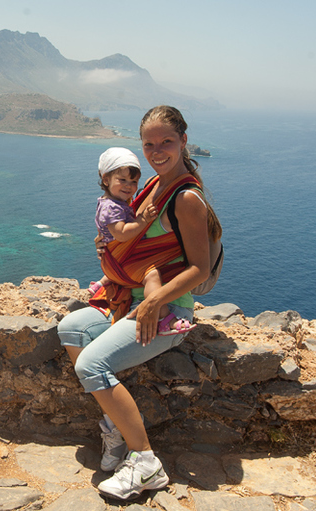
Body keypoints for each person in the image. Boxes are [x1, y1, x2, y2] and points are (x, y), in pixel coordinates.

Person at [58, 105, 222, 500]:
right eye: (149, 144)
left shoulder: (185, 198)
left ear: (183, 141)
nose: (157, 151)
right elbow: (129, 235)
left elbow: (199, 268)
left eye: (167, 141)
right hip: (130, 300)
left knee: (91, 365)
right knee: (71, 328)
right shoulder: (152, 186)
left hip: (165, 311)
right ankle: (117, 429)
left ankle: (145, 461)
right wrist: (110, 246)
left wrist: (153, 303)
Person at [90, 147, 195, 337]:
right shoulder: (112, 207)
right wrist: (143, 220)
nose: (128, 186)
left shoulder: (114, 202)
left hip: (114, 260)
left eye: (133, 182)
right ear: (106, 179)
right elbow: (122, 234)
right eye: (122, 180)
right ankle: (164, 318)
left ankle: (102, 283)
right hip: (121, 260)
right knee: (152, 276)